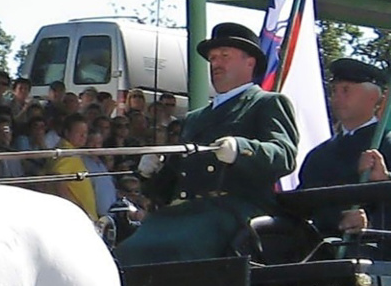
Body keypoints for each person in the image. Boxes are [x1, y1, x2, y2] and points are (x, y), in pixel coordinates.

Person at [115, 22, 298, 266]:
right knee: (126, 253)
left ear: (250, 62)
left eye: (225, 56)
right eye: (212, 58)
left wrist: (241, 149)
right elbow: (173, 184)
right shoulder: (195, 118)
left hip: (234, 212)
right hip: (184, 215)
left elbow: (284, 155)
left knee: (177, 250)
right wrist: (150, 173)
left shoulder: (266, 103)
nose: (216, 64)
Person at [297, 58, 391, 239]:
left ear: (373, 97)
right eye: (334, 90)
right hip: (319, 248)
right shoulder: (319, 155)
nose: (337, 97)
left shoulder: (386, 144)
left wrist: (384, 180)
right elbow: (302, 207)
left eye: (346, 90)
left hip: (373, 249)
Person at [42, 113, 97, 220]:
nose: (83, 136)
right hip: (77, 218)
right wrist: (77, 211)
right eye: (78, 133)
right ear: (67, 133)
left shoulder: (70, 151)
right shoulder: (67, 152)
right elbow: (58, 181)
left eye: (85, 133)